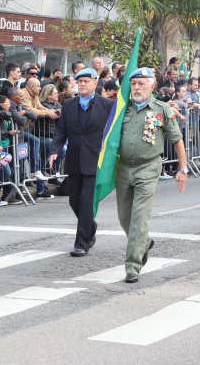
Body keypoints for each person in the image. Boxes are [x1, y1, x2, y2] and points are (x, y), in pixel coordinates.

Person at [115, 67, 188, 283]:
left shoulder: (162, 110)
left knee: (139, 217)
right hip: (124, 167)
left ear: (152, 85)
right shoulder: (122, 108)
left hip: (148, 167)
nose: (137, 88)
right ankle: (144, 242)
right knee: (124, 217)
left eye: (141, 83)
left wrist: (183, 169)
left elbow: (177, 139)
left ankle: (133, 266)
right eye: (134, 84)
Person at [48, 68, 112, 256]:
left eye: (86, 81)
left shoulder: (107, 104)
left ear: (95, 83)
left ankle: (81, 244)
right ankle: (90, 226)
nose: (83, 84)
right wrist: (54, 150)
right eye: (80, 81)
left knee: (86, 203)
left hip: (95, 161)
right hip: (75, 159)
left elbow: (114, 132)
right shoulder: (68, 104)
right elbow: (61, 130)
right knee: (74, 200)